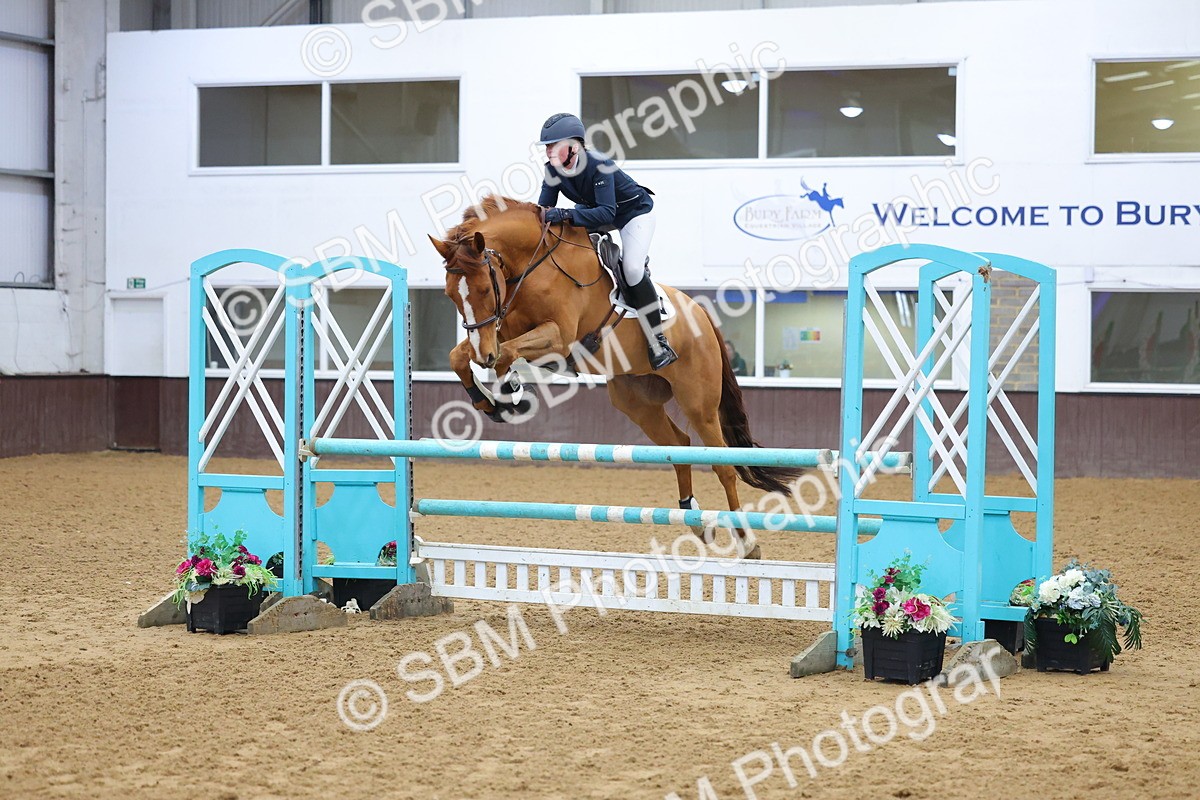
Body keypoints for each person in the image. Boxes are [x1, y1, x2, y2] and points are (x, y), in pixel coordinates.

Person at [536, 112, 678, 370]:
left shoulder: (599, 165)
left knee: (632, 269)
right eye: (547, 147)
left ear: (574, 146)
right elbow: (543, 211)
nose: (549, 152)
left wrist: (567, 214)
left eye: (554, 146)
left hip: (633, 213)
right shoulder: (552, 171)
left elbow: (607, 213)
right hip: (596, 212)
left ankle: (658, 340)